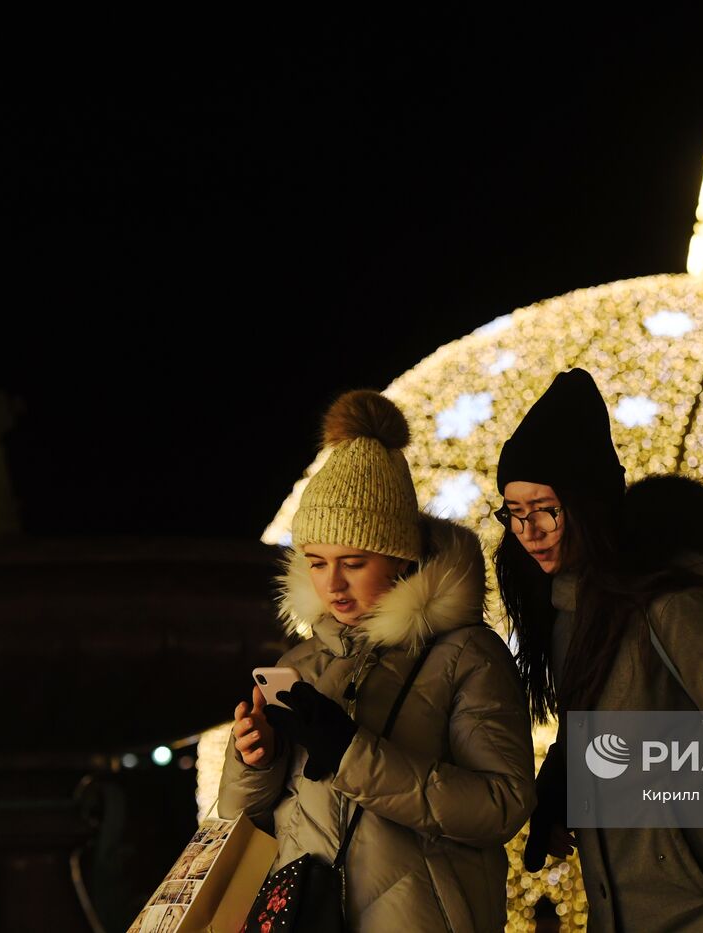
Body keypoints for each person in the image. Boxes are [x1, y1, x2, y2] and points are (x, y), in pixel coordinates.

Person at [495, 368, 703, 932]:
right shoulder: (565, 617)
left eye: (546, 508)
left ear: (589, 503)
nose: (528, 530)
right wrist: (563, 775)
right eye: (514, 512)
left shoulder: (674, 611)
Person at [218, 390, 535, 931]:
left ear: (399, 554)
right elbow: (239, 824)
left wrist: (349, 754)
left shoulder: (467, 655)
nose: (332, 584)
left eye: (354, 562)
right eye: (317, 562)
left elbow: (501, 805)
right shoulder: (301, 662)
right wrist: (256, 762)